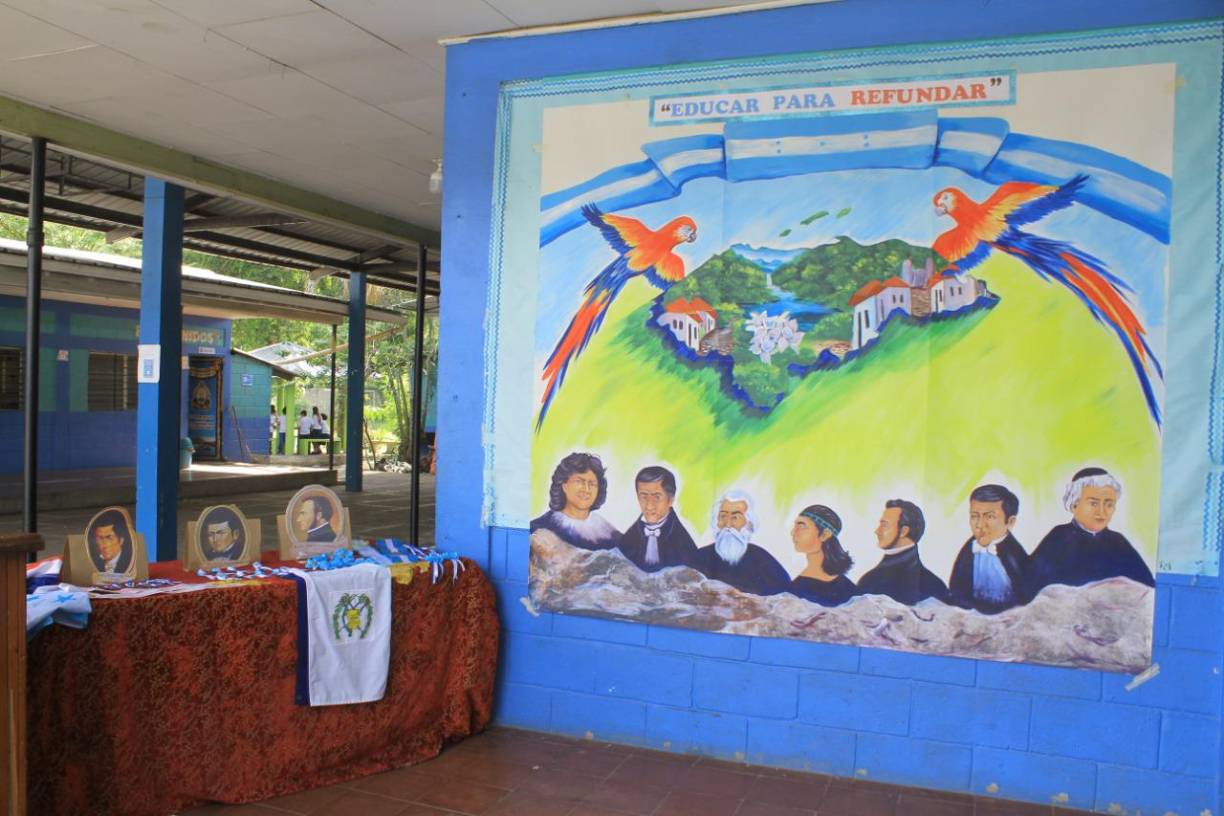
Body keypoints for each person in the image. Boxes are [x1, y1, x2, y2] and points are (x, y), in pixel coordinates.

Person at [1028, 467, 1154, 592]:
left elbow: (1147, 588)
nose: (1102, 512)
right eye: (1093, 503)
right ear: (1074, 504)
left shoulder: (1118, 542)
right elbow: (1031, 589)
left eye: (1109, 504)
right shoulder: (1058, 538)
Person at [947, 484, 1031, 614]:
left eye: (990, 516)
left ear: (1010, 522)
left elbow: (1026, 598)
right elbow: (956, 592)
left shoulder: (1015, 554)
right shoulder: (968, 551)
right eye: (975, 516)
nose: (980, 525)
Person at [691, 490, 790, 596]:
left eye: (735, 517)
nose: (728, 525)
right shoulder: (699, 557)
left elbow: (786, 599)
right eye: (723, 516)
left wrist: (738, 596)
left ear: (749, 524)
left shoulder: (762, 560)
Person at [857, 499, 948, 604]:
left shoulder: (933, 587)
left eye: (885, 525)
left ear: (904, 531)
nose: (877, 531)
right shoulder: (868, 581)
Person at [530, 452, 619, 550]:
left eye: (592, 484)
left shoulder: (610, 534)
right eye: (579, 481)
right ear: (564, 485)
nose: (586, 489)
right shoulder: (538, 529)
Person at [617, 465, 698, 571]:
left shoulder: (683, 543)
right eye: (644, 496)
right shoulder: (628, 539)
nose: (649, 506)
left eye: (657, 497)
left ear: (671, 499)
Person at [788, 504, 856, 606]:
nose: (793, 532)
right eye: (795, 526)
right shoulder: (796, 588)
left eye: (802, 526)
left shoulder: (850, 592)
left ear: (825, 534)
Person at [88, 509, 134, 574]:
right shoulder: (94, 563)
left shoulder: (129, 561)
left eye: (109, 538)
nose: (104, 545)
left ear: (121, 540)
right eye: (100, 538)